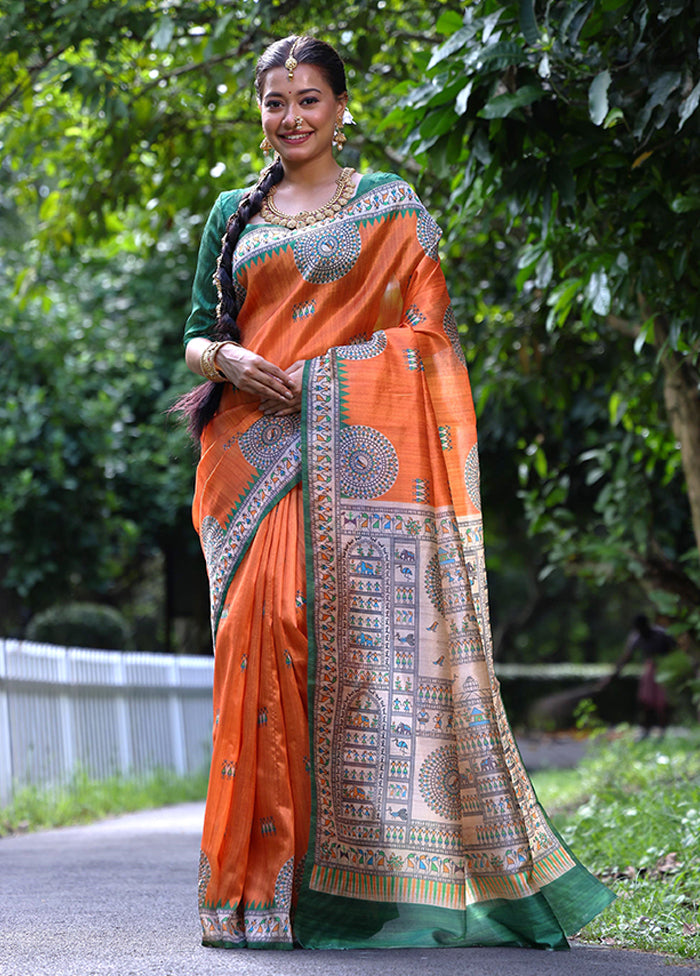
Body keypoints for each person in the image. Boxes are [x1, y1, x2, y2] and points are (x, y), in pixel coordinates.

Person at [177, 34, 613, 951]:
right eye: (273, 102)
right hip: (250, 457)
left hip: (354, 452)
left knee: (329, 644)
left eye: (307, 100)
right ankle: (253, 893)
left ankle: (348, 888)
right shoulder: (232, 210)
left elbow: (429, 337)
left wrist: (332, 379)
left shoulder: (389, 208)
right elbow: (193, 334)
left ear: (341, 108)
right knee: (260, 642)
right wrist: (229, 359)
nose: (288, 118)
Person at [613, 614, 676, 736]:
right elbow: (627, 656)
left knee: (662, 702)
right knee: (645, 700)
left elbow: (674, 649)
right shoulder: (636, 637)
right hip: (650, 668)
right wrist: (615, 673)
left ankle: (663, 728)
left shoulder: (661, 634)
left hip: (664, 667)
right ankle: (646, 728)